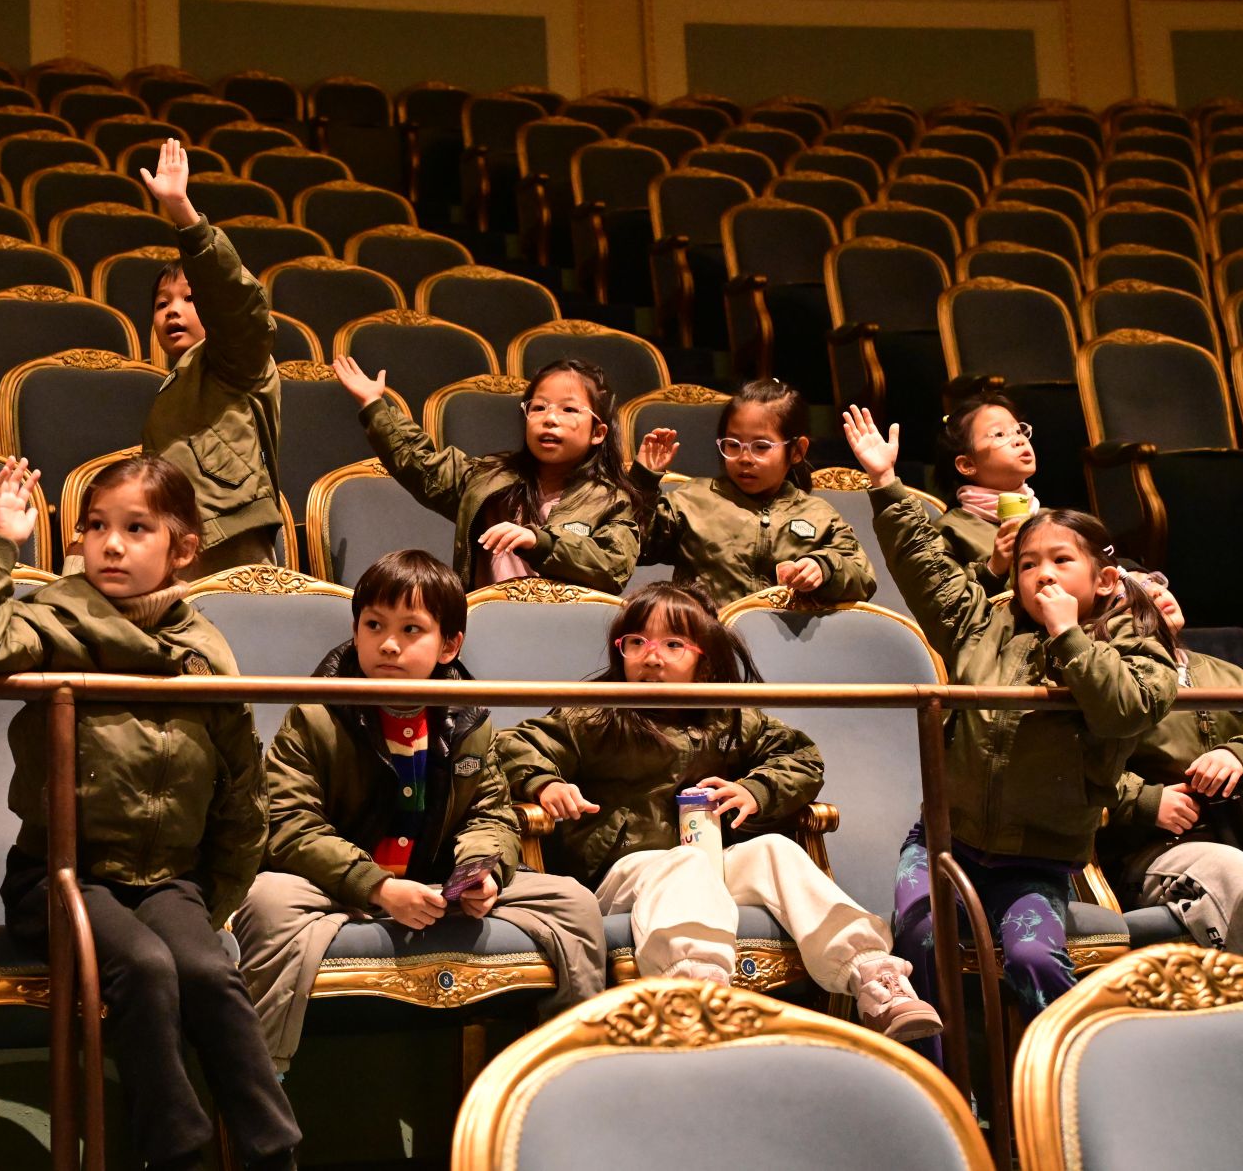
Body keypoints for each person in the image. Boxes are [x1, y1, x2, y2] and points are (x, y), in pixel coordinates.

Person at [0, 454, 297, 1171]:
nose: (112, 544)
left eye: (136, 528)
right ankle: (177, 1157)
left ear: (182, 548)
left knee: (209, 972)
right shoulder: (55, 619)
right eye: (97, 526)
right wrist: (1, 542)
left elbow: (240, 789)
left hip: (167, 881)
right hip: (61, 876)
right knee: (146, 966)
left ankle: (274, 1155)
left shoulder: (201, 646)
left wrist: (211, 901)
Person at [844, 405, 1176, 1050]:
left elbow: (1127, 708)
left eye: (1060, 561)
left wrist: (1068, 636)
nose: (1042, 574)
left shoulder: (1133, 638)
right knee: (920, 940)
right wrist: (885, 484)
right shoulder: (982, 624)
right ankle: (944, 1088)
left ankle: (1058, 1080)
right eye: (1027, 564)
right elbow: (924, 566)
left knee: (1032, 958)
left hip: (1038, 858)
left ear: (1105, 579)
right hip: (946, 843)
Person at [493, 580, 941, 1040]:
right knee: (682, 863)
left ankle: (876, 979)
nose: (652, 657)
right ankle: (700, 994)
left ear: (703, 657)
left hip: (706, 864)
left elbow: (801, 758)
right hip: (620, 874)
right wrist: (545, 782)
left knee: (775, 851)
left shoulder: (729, 715)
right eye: (637, 642)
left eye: (673, 645)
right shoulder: (596, 714)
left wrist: (754, 790)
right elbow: (514, 745)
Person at [235, 549, 607, 1067]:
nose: (389, 643)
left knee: (573, 902)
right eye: (374, 626)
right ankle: (261, 1077)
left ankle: (570, 1067)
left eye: (411, 630)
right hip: (339, 888)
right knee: (266, 901)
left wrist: (481, 871)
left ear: (449, 645)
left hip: (436, 883)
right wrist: (377, 886)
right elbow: (290, 824)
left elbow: (491, 814)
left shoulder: (469, 719)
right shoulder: (315, 714)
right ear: (356, 631)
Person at [1099, 569, 1243, 969]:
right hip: (1149, 852)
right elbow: (1068, 774)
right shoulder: (1108, 682)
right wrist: (1147, 801)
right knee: (1233, 873)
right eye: (1133, 592)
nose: (1154, 592)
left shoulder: (1224, 674)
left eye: (1156, 582)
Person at [331, 354, 643, 591]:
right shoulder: (489, 478)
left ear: (598, 432)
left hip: (565, 635)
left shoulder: (610, 499)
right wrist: (373, 404)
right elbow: (420, 463)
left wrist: (541, 543)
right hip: (483, 631)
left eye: (569, 409)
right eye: (538, 407)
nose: (549, 419)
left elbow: (613, 567)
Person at [137, 138, 286, 577]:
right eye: (162, 303)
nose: (173, 311)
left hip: (229, 542)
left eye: (189, 298)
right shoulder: (177, 383)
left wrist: (184, 215)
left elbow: (234, 302)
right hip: (180, 541)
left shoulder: (235, 356)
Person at [631, 378, 876, 609]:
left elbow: (862, 577)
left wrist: (825, 568)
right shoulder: (691, 500)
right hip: (708, 632)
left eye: (761, 447)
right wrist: (643, 481)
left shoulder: (818, 514)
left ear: (797, 451)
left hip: (787, 636)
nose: (745, 458)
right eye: (733, 445)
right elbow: (635, 546)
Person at [933, 388, 1040, 592]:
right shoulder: (950, 530)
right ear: (967, 464)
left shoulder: (1048, 518)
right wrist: (993, 568)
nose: (1019, 440)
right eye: (999, 434)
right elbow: (945, 600)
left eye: (1018, 431)